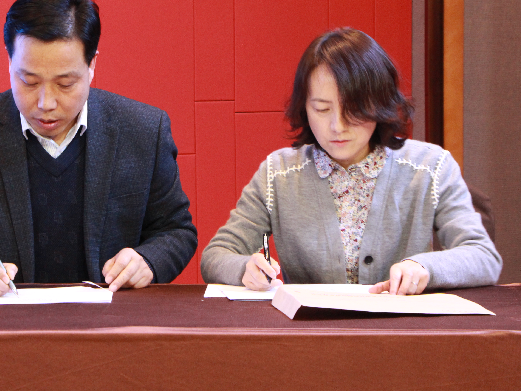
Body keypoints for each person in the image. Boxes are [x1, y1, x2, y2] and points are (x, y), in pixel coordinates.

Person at [0, 0, 196, 297]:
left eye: (65, 83)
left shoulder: (143, 131)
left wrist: (147, 261)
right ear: (9, 62)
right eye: (28, 81)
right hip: (5, 321)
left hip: (110, 320)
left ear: (92, 65)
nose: (46, 103)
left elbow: (175, 230)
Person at [201, 28, 502, 295]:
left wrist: (424, 268)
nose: (337, 126)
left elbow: (482, 256)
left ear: (380, 103)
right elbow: (217, 255)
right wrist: (245, 269)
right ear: (304, 108)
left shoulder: (430, 167)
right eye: (322, 109)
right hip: (311, 334)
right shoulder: (279, 174)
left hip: (403, 333)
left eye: (354, 110)